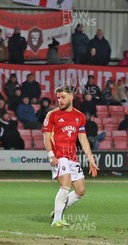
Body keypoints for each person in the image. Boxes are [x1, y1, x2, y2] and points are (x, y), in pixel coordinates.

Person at [42, 85, 99, 227]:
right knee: (66, 186)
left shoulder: (79, 116)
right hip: (59, 154)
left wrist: (91, 159)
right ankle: (57, 220)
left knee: (80, 191)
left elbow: (83, 139)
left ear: (71, 97)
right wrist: (51, 155)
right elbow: (46, 136)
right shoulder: (52, 115)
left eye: (63, 97)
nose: (60, 100)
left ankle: (58, 211)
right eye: (58, 98)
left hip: (72, 156)